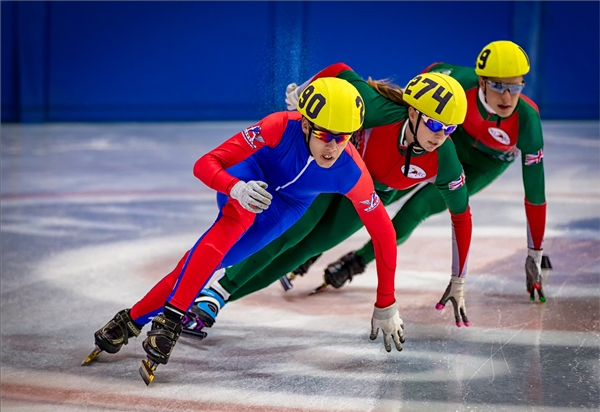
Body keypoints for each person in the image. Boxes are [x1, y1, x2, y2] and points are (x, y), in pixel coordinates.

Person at [82, 77, 405, 385]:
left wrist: (386, 303)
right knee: (236, 220)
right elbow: (205, 164)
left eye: (344, 137)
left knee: (208, 262)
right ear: (307, 124)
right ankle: (171, 319)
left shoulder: (350, 172)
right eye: (325, 134)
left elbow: (384, 233)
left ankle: (129, 321)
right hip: (249, 174)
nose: (333, 146)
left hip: (288, 204)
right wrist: (235, 188)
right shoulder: (279, 126)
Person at [180, 64, 473, 340]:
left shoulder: (445, 160)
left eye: (450, 129)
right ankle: (207, 291)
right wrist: (306, 92)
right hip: (332, 170)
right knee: (291, 234)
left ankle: (217, 297)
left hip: (369, 193)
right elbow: (341, 71)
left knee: (304, 250)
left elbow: (461, 215)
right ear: (412, 112)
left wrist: (458, 279)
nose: (440, 135)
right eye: (435, 124)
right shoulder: (380, 110)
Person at [282, 40, 549, 303]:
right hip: (438, 142)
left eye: (515, 87)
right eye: (498, 86)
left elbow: (535, 194)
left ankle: (357, 261)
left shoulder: (527, 120)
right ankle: (314, 249)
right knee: (381, 191)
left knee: (417, 209)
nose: (506, 96)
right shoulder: (458, 84)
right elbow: (423, 87)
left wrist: (534, 253)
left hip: (482, 165)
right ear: (481, 82)